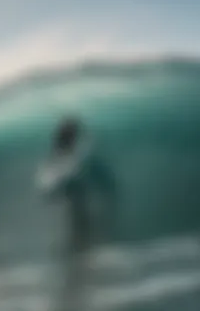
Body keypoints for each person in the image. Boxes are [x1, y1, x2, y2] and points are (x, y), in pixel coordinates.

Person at [37, 117, 117, 310]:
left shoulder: (61, 158)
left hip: (72, 219)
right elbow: (50, 188)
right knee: (76, 263)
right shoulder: (66, 160)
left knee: (76, 263)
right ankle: (72, 302)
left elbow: (48, 188)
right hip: (71, 220)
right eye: (73, 133)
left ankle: (73, 301)